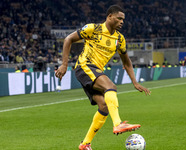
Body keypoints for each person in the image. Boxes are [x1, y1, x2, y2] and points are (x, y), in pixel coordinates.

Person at [55, 5, 151, 150]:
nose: (122, 22)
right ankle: (118, 124)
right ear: (109, 16)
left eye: (123, 19)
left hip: (94, 71)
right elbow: (68, 39)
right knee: (110, 87)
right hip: (85, 66)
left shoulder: (119, 38)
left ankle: (85, 144)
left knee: (104, 106)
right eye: (119, 18)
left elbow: (126, 62)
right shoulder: (93, 29)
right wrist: (64, 64)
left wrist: (135, 82)